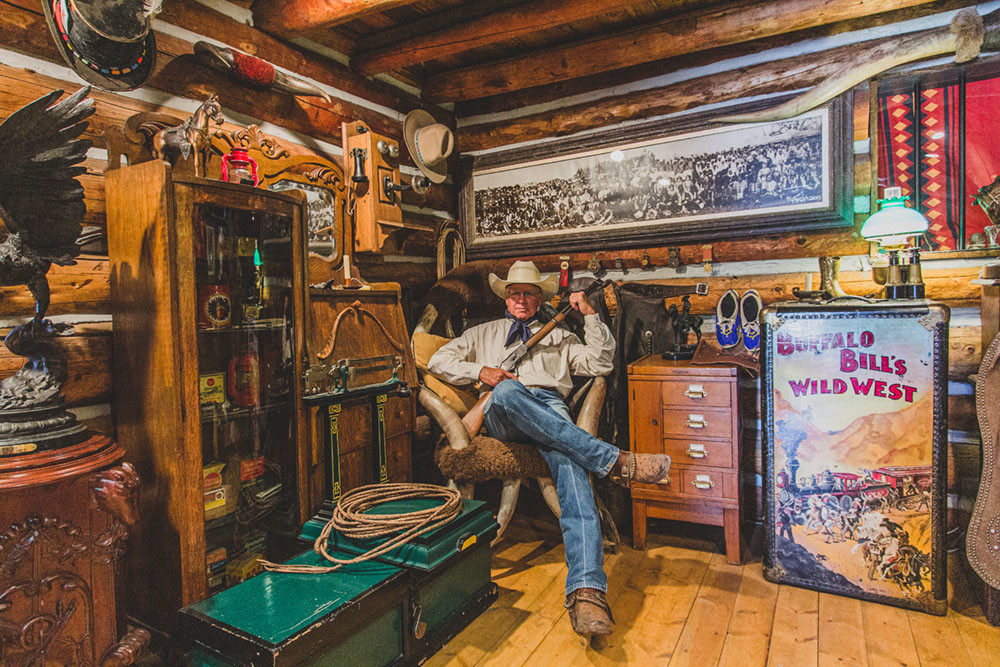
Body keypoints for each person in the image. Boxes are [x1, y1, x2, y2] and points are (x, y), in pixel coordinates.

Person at [427, 260, 671, 638]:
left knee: (572, 463)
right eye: (514, 293)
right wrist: (482, 373)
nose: (521, 299)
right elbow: (438, 359)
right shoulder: (482, 333)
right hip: (505, 413)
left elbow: (600, 362)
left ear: (539, 297)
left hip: (552, 416)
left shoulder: (560, 336)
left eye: (528, 293)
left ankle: (586, 592)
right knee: (508, 391)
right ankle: (613, 461)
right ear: (505, 299)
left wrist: (590, 318)